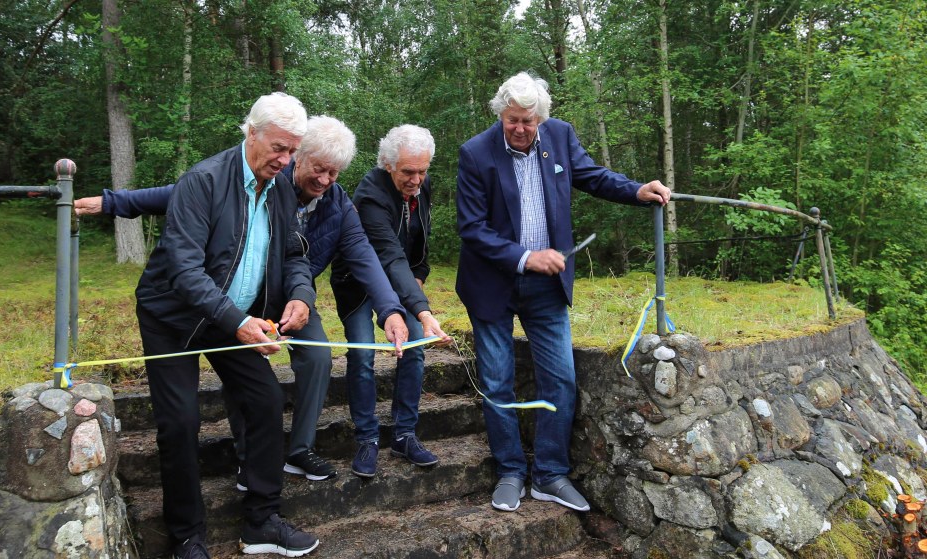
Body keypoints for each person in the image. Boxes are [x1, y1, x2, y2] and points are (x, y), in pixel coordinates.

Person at [76, 117, 446, 484]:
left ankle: (300, 449)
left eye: (333, 173)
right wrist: (112, 203)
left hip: (296, 295)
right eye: (318, 169)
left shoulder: (338, 205)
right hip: (247, 293)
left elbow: (367, 256)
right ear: (298, 158)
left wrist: (392, 311)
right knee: (246, 366)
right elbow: (180, 193)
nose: (324, 180)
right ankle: (246, 455)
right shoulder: (264, 181)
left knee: (318, 354)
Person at [455, 73, 670, 513]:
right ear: (501, 114)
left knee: (562, 379)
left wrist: (635, 190)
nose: (520, 128)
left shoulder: (560, 136)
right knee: (497, 381)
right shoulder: (475, 153)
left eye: (528, 122)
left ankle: (551, 474)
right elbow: (472, 228)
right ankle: (511, 471)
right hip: (492, 285)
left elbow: (591, 176)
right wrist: (524, 257)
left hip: (547, 285)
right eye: (512, 120)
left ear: (542, 119)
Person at [133, 92, 322, 559]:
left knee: (264, 399)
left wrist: (301, 295)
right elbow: (183, 270)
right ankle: (186, 538)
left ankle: (262, 519)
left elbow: (295, 254)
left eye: (292, 152)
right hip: (172, 317)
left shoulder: (280, 189)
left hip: (228, 320)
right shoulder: (203, 182)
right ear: (251, 133)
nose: (285, 161)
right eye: (278, 148)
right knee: (180, 421)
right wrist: (235, 318)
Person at [333, 125, 452, 479]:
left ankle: (404, 434)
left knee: (415, 345)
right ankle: (367, 438)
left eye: (422, 170)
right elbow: (388, 254)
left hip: (400, 280)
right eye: (408, 172)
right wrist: (423, 308)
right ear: (388, 166)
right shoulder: (370, 197)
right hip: (358, 282)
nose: (416, 179)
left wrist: (420, 277)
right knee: (362, 352)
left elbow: (418, 243)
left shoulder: (421, 185)